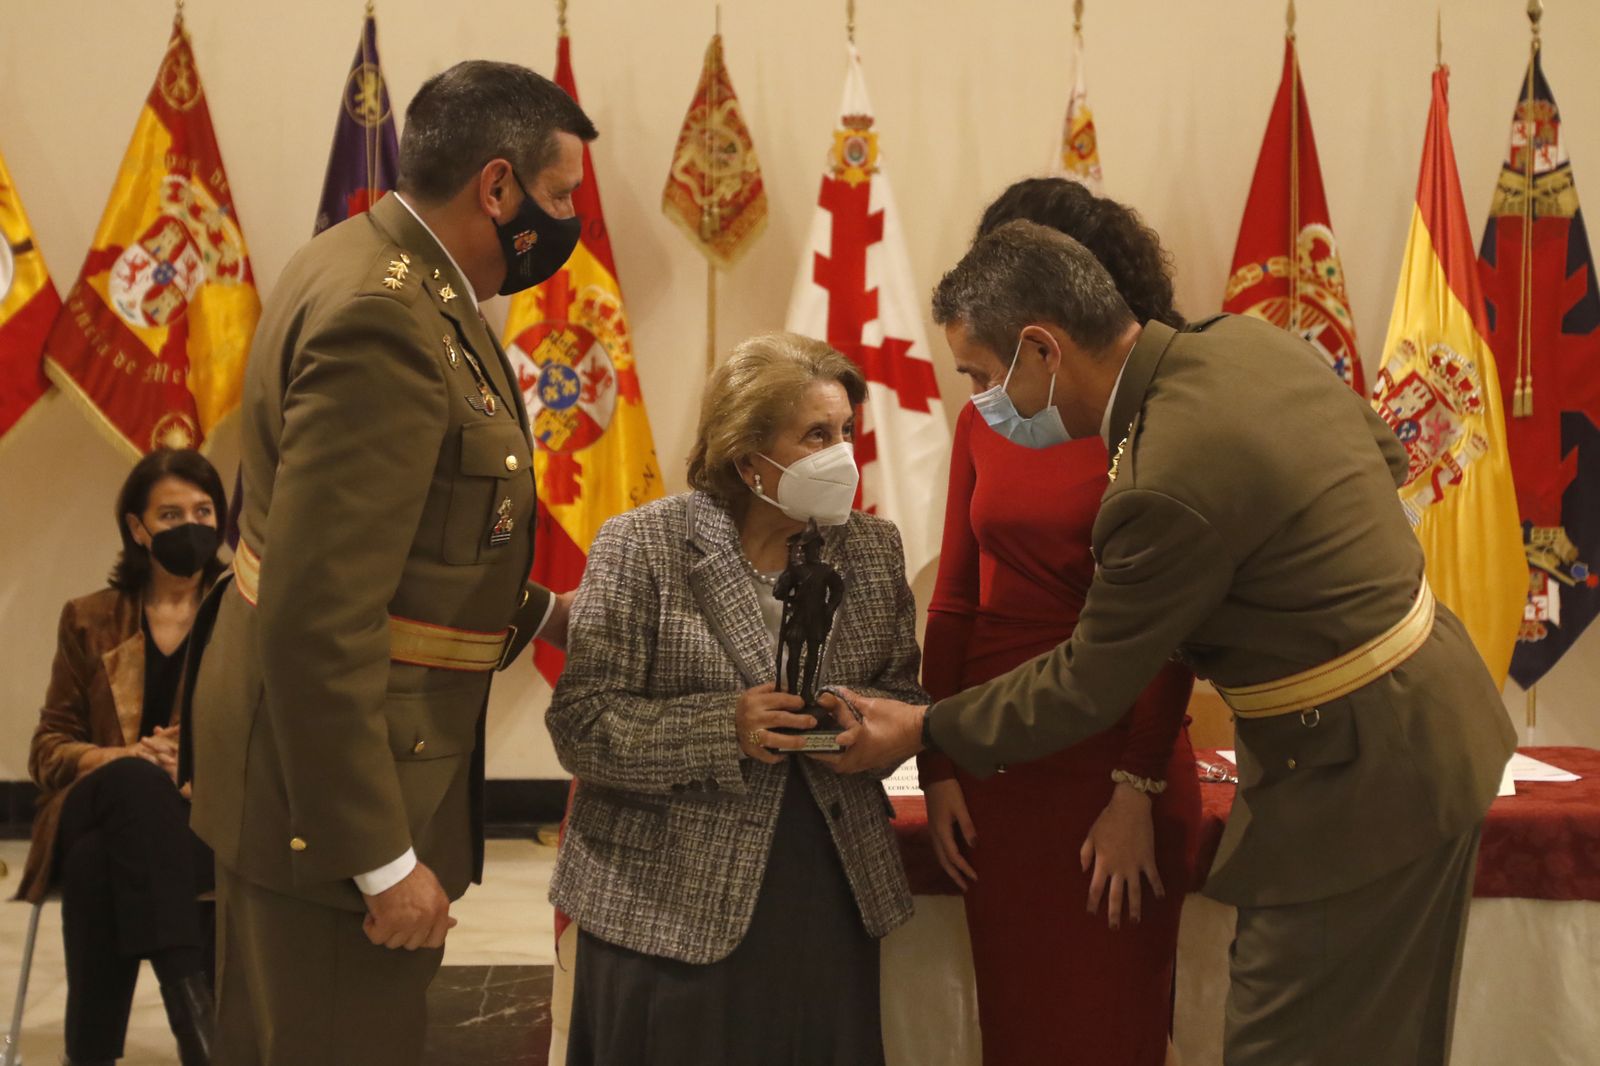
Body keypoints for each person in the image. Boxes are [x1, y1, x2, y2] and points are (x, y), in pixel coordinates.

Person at [827, 219, 1516, 1066]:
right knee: (1388, 1037)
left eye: (979, 374)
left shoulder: (1158, 475)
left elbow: (1086, 685)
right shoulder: (1243, 345)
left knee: (1287, 1041)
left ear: (1041, 349)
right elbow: (1383, 455)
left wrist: (923, 729)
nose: (979, 399)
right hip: (1433, 719)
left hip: (1359, 771)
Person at [188, 60, 591, 1065]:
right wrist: (379, 859)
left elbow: (407, 540)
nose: (570, 218)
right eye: (561, 195)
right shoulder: (388, 320)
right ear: (495, 188)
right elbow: (318, 616)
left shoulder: (375, 263)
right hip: (333, 808)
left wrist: (542, 613)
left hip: (302, 772)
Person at [547, 332, 922, 1066]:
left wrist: (869, 724)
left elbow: (902, 690)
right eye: (817, 435)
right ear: (749, 459)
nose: (842, 453)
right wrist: (725, 726)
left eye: (846, 431)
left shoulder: (872, 549)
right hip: (663, 900)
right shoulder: (643, 546)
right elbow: (582, 724)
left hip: (824, 878)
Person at [917, 178, 1201, 1066]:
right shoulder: (984, 419)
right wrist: (939, 762)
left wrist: (1136, 787)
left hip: (1120, 753)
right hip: (998, 758)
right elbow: (957, 597)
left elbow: (1169, 624)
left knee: (1109, 1024)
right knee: (1019, 1025)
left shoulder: (1155, 421)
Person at [19, 448, 225, 1066]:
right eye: (170, 514)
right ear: (138, 529)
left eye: (204, 510)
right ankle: (199, 1029)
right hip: (95, 799)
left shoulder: (242, 615)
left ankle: (90, 1056)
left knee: (95, 865)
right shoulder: (89, 619)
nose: (190, 524)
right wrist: (126, 757)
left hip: (197, 815)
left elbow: (274, 735)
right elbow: (47, 750)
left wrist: (191, 765)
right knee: (132, 783)